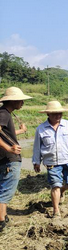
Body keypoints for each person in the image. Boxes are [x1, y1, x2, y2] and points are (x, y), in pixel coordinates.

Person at [33, 101, 68, 218]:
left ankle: (62, 191)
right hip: (52, 162)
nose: (58, 116)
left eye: (59, 113)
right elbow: (37, 147)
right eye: (54, 114)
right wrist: (36, 162)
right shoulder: (41, 129)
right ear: (48, 114)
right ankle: (56, 211)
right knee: (55, 185)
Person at [0, 87, 31, 232]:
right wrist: (9, 148)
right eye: (20, 100)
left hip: (5, 159)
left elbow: (6, 133)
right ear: (12, 101)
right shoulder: (4, 114)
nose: (22, 103)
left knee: (4, 188)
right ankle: (1, 223)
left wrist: (20, 131)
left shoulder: (5, 114)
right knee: (6, 191)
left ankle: (4, 217)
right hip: (9, 158)